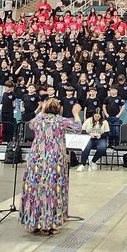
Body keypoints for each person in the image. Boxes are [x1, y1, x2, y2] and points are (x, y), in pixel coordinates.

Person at [20, 99, 81, 235]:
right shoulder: (60, 120)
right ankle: (49, 224)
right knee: (52, 190)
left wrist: (42, 110)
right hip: (54, 160)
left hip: (36, 158)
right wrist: (76, 113)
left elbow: (30, 125)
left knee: (35, 188)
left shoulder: (38, 119)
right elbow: (78, 128)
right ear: (59, 109)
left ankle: (34, 222)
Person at [77, 107, 109, 171]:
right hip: (90, 138)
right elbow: (83, 131)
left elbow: (107, 133)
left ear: (100, 116)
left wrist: (101, 135)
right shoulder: (89, 120)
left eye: (98, 116)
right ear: (93, 115)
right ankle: (83, 164)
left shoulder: (104, 122)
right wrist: (89, 134)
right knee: (86, 147)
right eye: (95, 116)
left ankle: (93, 161)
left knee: (102, 148)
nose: (97, 118)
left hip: (100, 138)